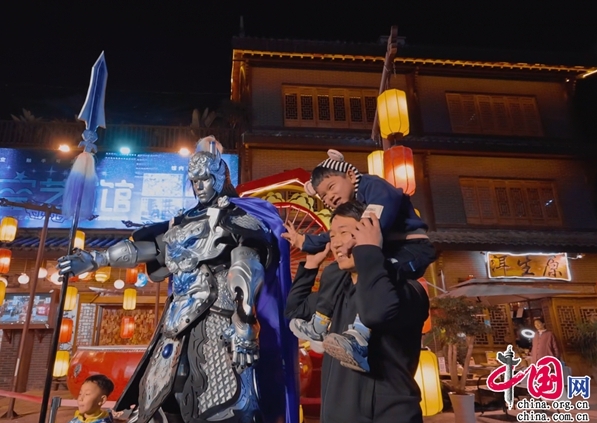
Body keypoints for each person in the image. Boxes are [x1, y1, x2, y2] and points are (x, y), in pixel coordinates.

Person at [57, 136, 298, 423]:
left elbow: (246, 264)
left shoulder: (238, 217)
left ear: (219, 178)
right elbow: (148, 249)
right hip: (175, 323)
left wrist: (243, 320)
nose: (199, 186)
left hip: (218, 317)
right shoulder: (181, 222)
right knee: (160, 402)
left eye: (204, 179)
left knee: (227, 407)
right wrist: (97, 259)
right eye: (194, 181)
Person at [283, 149, 435, 371]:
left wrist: (355, 244)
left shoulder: (373, 187)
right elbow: (293, 311)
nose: (328, 197)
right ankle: (319, 325)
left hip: (410, 249)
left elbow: (374, 220)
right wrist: (304, 242)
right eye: (323, 196)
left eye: (331, 187)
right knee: (336, 270)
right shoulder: (340, 273)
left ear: (350, 175)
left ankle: (359, 338)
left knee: (377, 271)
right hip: (380, 251)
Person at [285, 200, 429, 423]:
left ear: (373, 234)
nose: (336, 243)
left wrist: (370, 252)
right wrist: (311, 266)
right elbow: (294, 313)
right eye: (332, 235)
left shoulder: (406, 290)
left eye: (344, 233)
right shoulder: (338, 291)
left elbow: (375, 312)